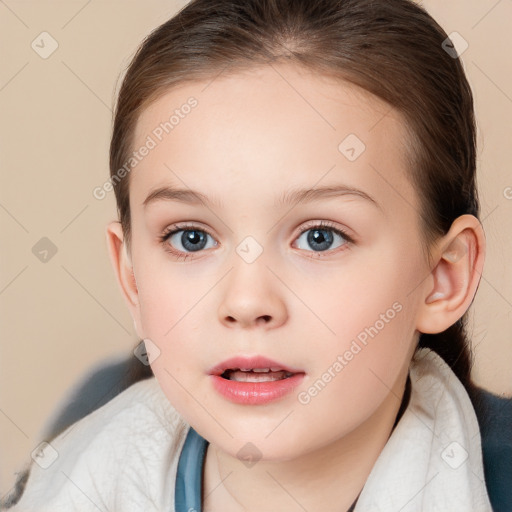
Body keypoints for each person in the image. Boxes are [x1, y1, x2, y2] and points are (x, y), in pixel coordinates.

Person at [3, 0, 494, 510]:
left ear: (443, 276)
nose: (246, 301)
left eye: (319, 237)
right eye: (191, 237)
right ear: (131, 275)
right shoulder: (71, 467)